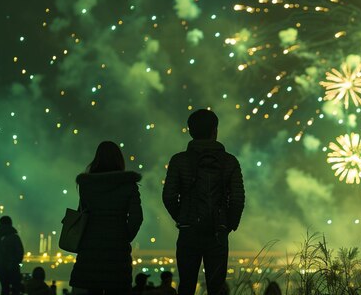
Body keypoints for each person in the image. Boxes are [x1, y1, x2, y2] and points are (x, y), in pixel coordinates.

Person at [163, 109, 245, 295]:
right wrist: (229, 224)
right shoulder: (230, 161)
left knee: (186, 285)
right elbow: (237, 199)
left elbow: (168, 196)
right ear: (215, 130)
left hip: (188, 232)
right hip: (218, 232)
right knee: (216, 287)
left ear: (190, 131)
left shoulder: (179, 160)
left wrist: (183, 216)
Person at [69, 141, 143, 294]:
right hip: (117, 250)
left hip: (90, 247)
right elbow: (137, 217)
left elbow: (82, 213)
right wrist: (124, 236)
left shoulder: (86, 184)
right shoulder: (128, 184)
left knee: (91, 287)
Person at [0, 215, 24, 295]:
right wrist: (14, 263)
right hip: (12, 267)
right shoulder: (14, 237)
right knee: (15, 288)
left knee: (5, 288)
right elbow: (20, 252)